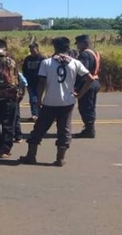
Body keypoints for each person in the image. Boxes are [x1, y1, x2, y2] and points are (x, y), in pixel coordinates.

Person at [19, 37, 94, 167]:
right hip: (67, 102)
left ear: (55, 47)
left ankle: (31, 156)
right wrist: (80, 94)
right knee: (64, 129)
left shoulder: (47, 63)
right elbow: (90, 79)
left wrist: (38, 100)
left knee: (39, 128)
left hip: (50, 101)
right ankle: (60, 158)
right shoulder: (75, 63)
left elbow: (41, 83)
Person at [73, 34, 101, 139]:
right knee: (90, 106)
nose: (77, 46)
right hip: (95, 81)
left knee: (85, 107)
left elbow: (82, 72)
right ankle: (89, 128)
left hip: (87, 83)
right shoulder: (95, 53)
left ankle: (89, 130)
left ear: (83, 43)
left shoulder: (84, 54)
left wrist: (77, 87)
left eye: (78, 44)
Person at [22, 43, 46, 122]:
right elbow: (24, 70)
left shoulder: (42, 59)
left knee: (39, 99)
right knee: (32, 99)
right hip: (30, 82)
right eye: (30, 50)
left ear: (37, 49)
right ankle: (35, 114)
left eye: (33, 49)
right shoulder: (27, 59)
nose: (32, 51)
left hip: (39, 82)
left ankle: (41, 114)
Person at [14, 72, 28, 143]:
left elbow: (24, 82)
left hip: (10, 96)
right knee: (16, 117)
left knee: (15, 117)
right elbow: (24, 82)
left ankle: (18, 135)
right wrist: (22, 94)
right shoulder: (16, 71)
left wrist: (22, 94)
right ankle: (17, 136)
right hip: (14, 95)